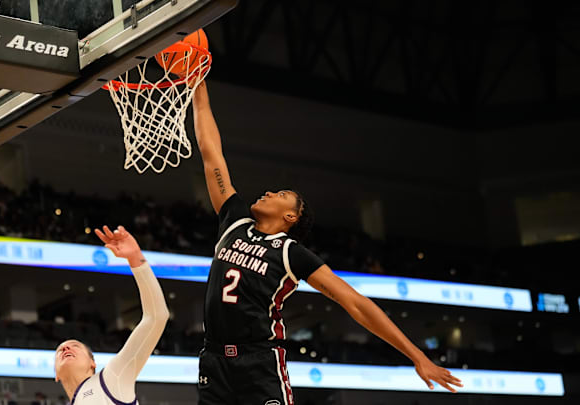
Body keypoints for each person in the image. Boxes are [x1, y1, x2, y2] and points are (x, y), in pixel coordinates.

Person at [191, 80, 463, 404]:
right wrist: (197, 83)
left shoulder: (292, 253)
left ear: (290, 217)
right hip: (212, 362)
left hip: (258, 364)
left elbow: (356, 303)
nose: (268, 192)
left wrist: (417, 355)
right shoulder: (234, 220)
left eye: (281, 195)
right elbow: (211, 153)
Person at [54, 225, 169, 405]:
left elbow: (156, 317)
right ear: (56, 375)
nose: (66, 349)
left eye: (74, 346)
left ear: (93, 363)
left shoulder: (111, 378)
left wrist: (135, 258)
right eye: (60, 350)